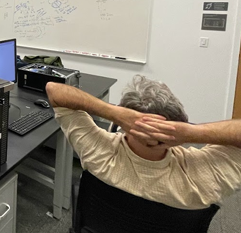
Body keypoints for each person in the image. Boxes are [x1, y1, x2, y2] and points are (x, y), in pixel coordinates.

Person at [45, 75, 241, 210]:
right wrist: (192, 132)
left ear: (124, 124)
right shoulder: (202, 184)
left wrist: (115, 113)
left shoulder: (98, 155)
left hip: (103, 231)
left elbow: (54, 90)